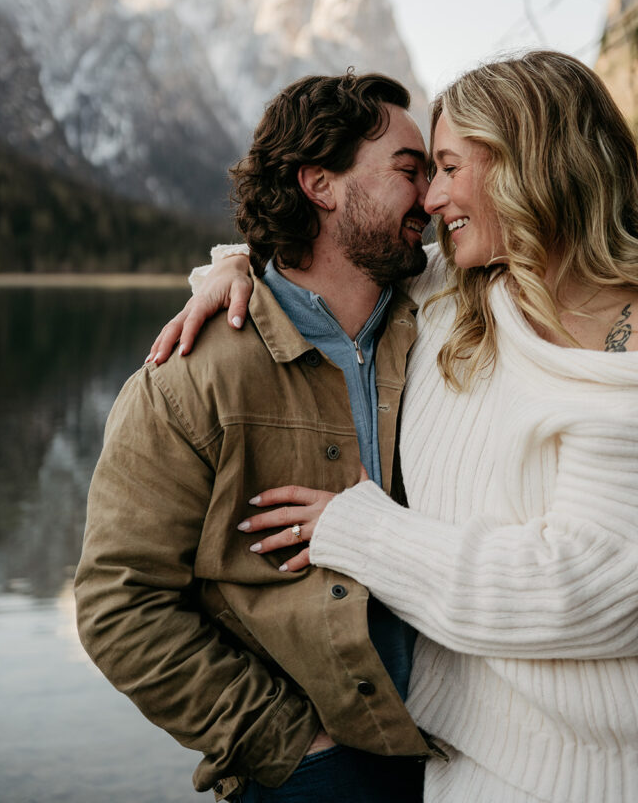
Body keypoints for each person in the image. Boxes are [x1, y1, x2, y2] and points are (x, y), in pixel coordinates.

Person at [151, 50, 638, 803]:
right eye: (422, 170)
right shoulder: (460, 287)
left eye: (449, 167)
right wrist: (235, 269)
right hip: (455, 766)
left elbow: (591, 592)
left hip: (597, 775)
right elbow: (324, 260)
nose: (432, 197)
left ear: (532, 164)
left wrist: (358, 531)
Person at [75, 71, 449, 803]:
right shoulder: (190, 378)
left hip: (462, 753)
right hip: (313, 773)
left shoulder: (444, 322)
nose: (433, 197)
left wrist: (228, 260)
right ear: (321, 184)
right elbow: (119, 604)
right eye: (411, 171)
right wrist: (291, 744)